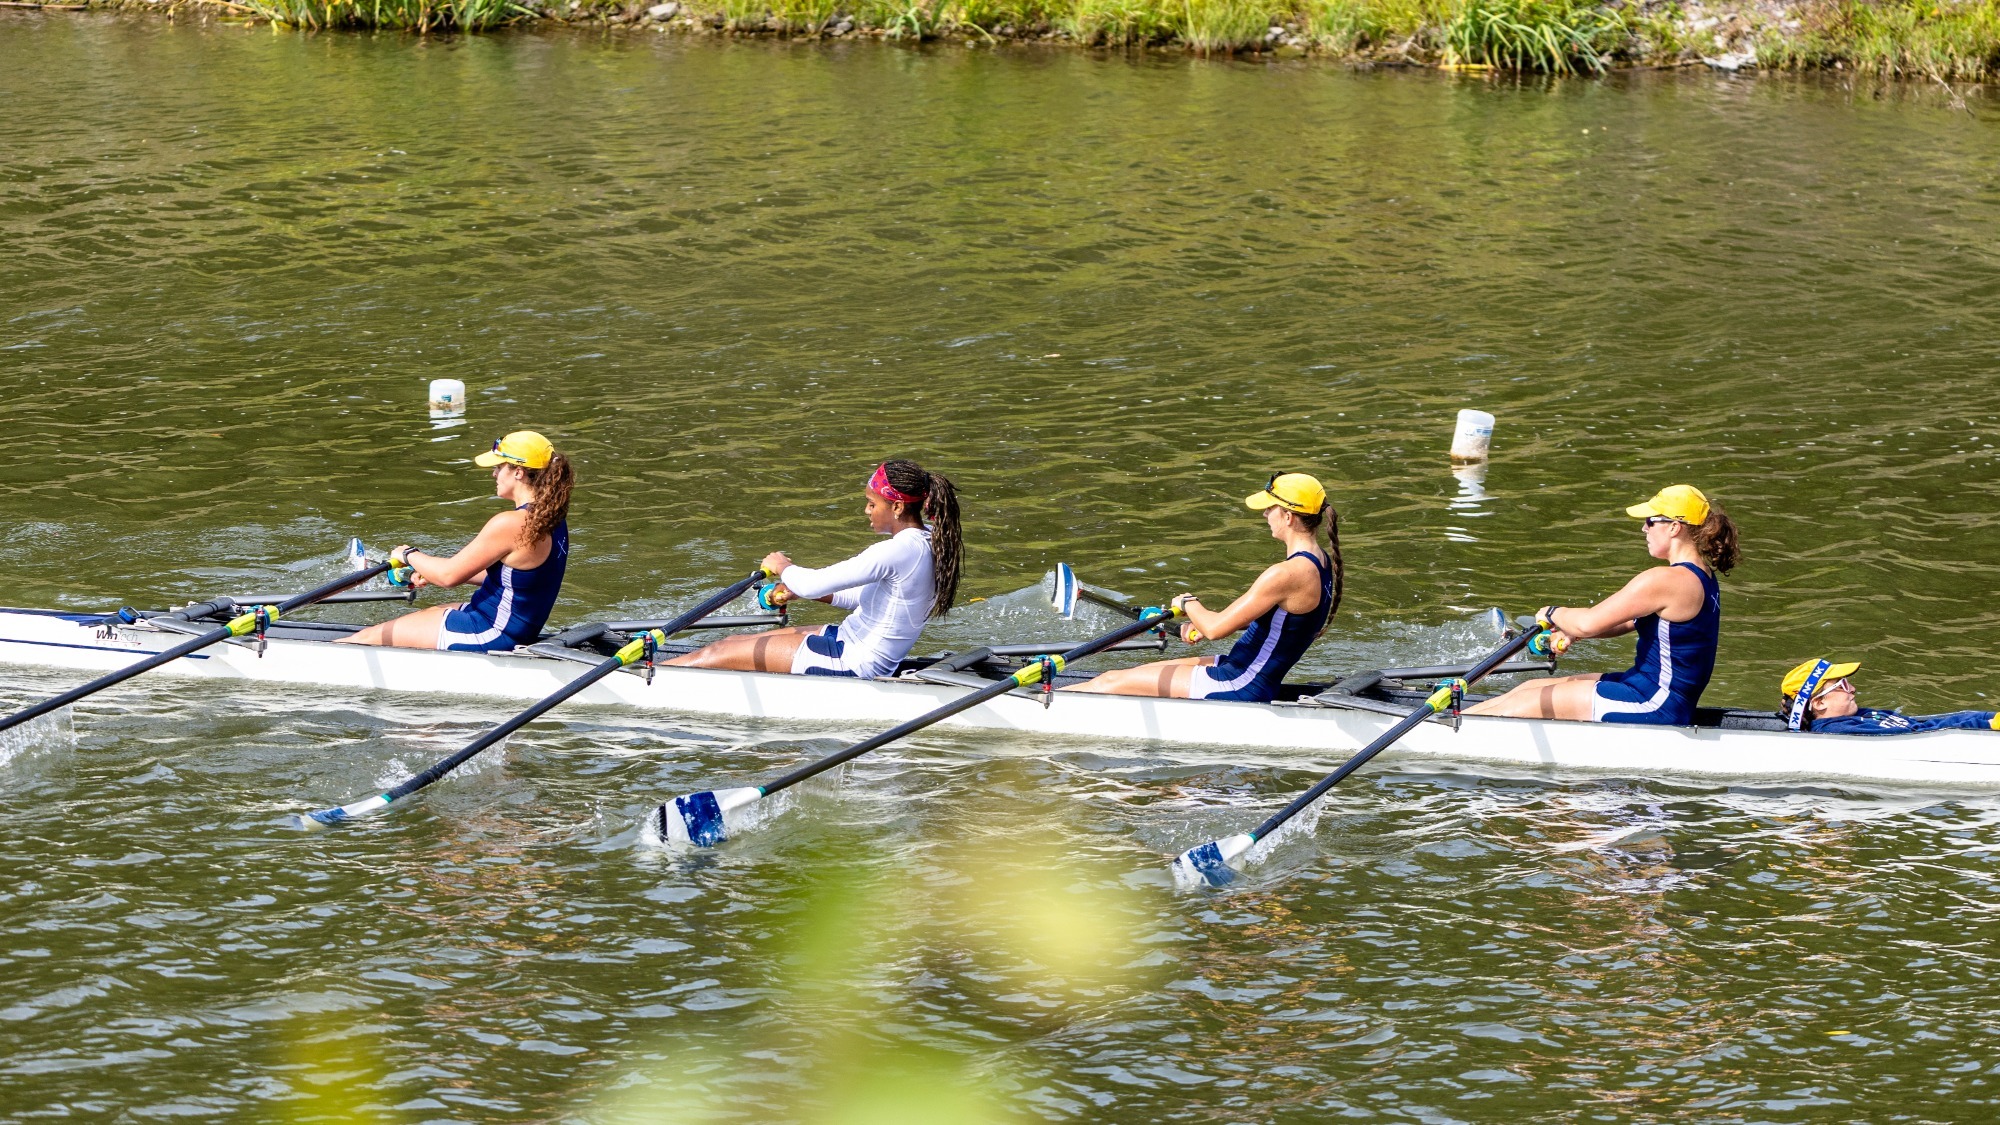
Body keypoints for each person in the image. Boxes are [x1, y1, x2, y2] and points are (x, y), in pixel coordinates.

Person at [1466, 484, 1739, 724]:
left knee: (1521, 705)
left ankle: (1448, 732)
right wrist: (1569, 631)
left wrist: (1552, 613)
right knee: (1530, 689)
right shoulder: (1702, 576)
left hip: (1653, 703)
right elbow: (1627, 621)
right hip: (1649, 687)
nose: (1644, 528)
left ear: (1674, 527)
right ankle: (1457, 720)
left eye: (1649, 521)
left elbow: (1588, 623)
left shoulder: (1668, 579)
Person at [666, 459, 961, 678]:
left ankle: (644, 680)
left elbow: (813, 583)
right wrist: (800, 590)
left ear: (896, 507)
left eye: (872, 504)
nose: (866, 511)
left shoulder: (896, 550)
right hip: (848, 639)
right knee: (733, 642)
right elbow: (861, 597)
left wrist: (782, 567)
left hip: (852, 663)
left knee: (717, 652)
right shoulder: (928, 539)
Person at [1066, 472, 1340, 701]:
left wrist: (1188, 604)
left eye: (1269, 508)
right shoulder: (1321, 562)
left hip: (1238, 683)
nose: (1265, 514)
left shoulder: (1286, 573)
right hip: (1240, 667)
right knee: (1129, 676)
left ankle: (1038, 709)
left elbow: (1216, 629)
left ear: (1288, 517)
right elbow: (1287, 625)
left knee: (1109, 682)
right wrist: (1201, 620)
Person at [338, 431, 572, 653]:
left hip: (490, 633)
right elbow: (519, 579)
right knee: (427, 614)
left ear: (518, 472)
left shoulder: (511, 523)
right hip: (509, 627)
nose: (494, 474)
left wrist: (408, 554)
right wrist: (428, 571)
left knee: (363, 639)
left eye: (499, 467)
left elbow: (448, 577)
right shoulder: (552, 518)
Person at [1779, 658, 2000, 734]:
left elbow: (1928, 724)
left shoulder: (1862, 714)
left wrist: (1988, 717)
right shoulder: (1839, 732)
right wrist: (1986, 726)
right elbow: (1919, 738)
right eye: (1842, 685)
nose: (1853, 689)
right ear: (1819, 702)